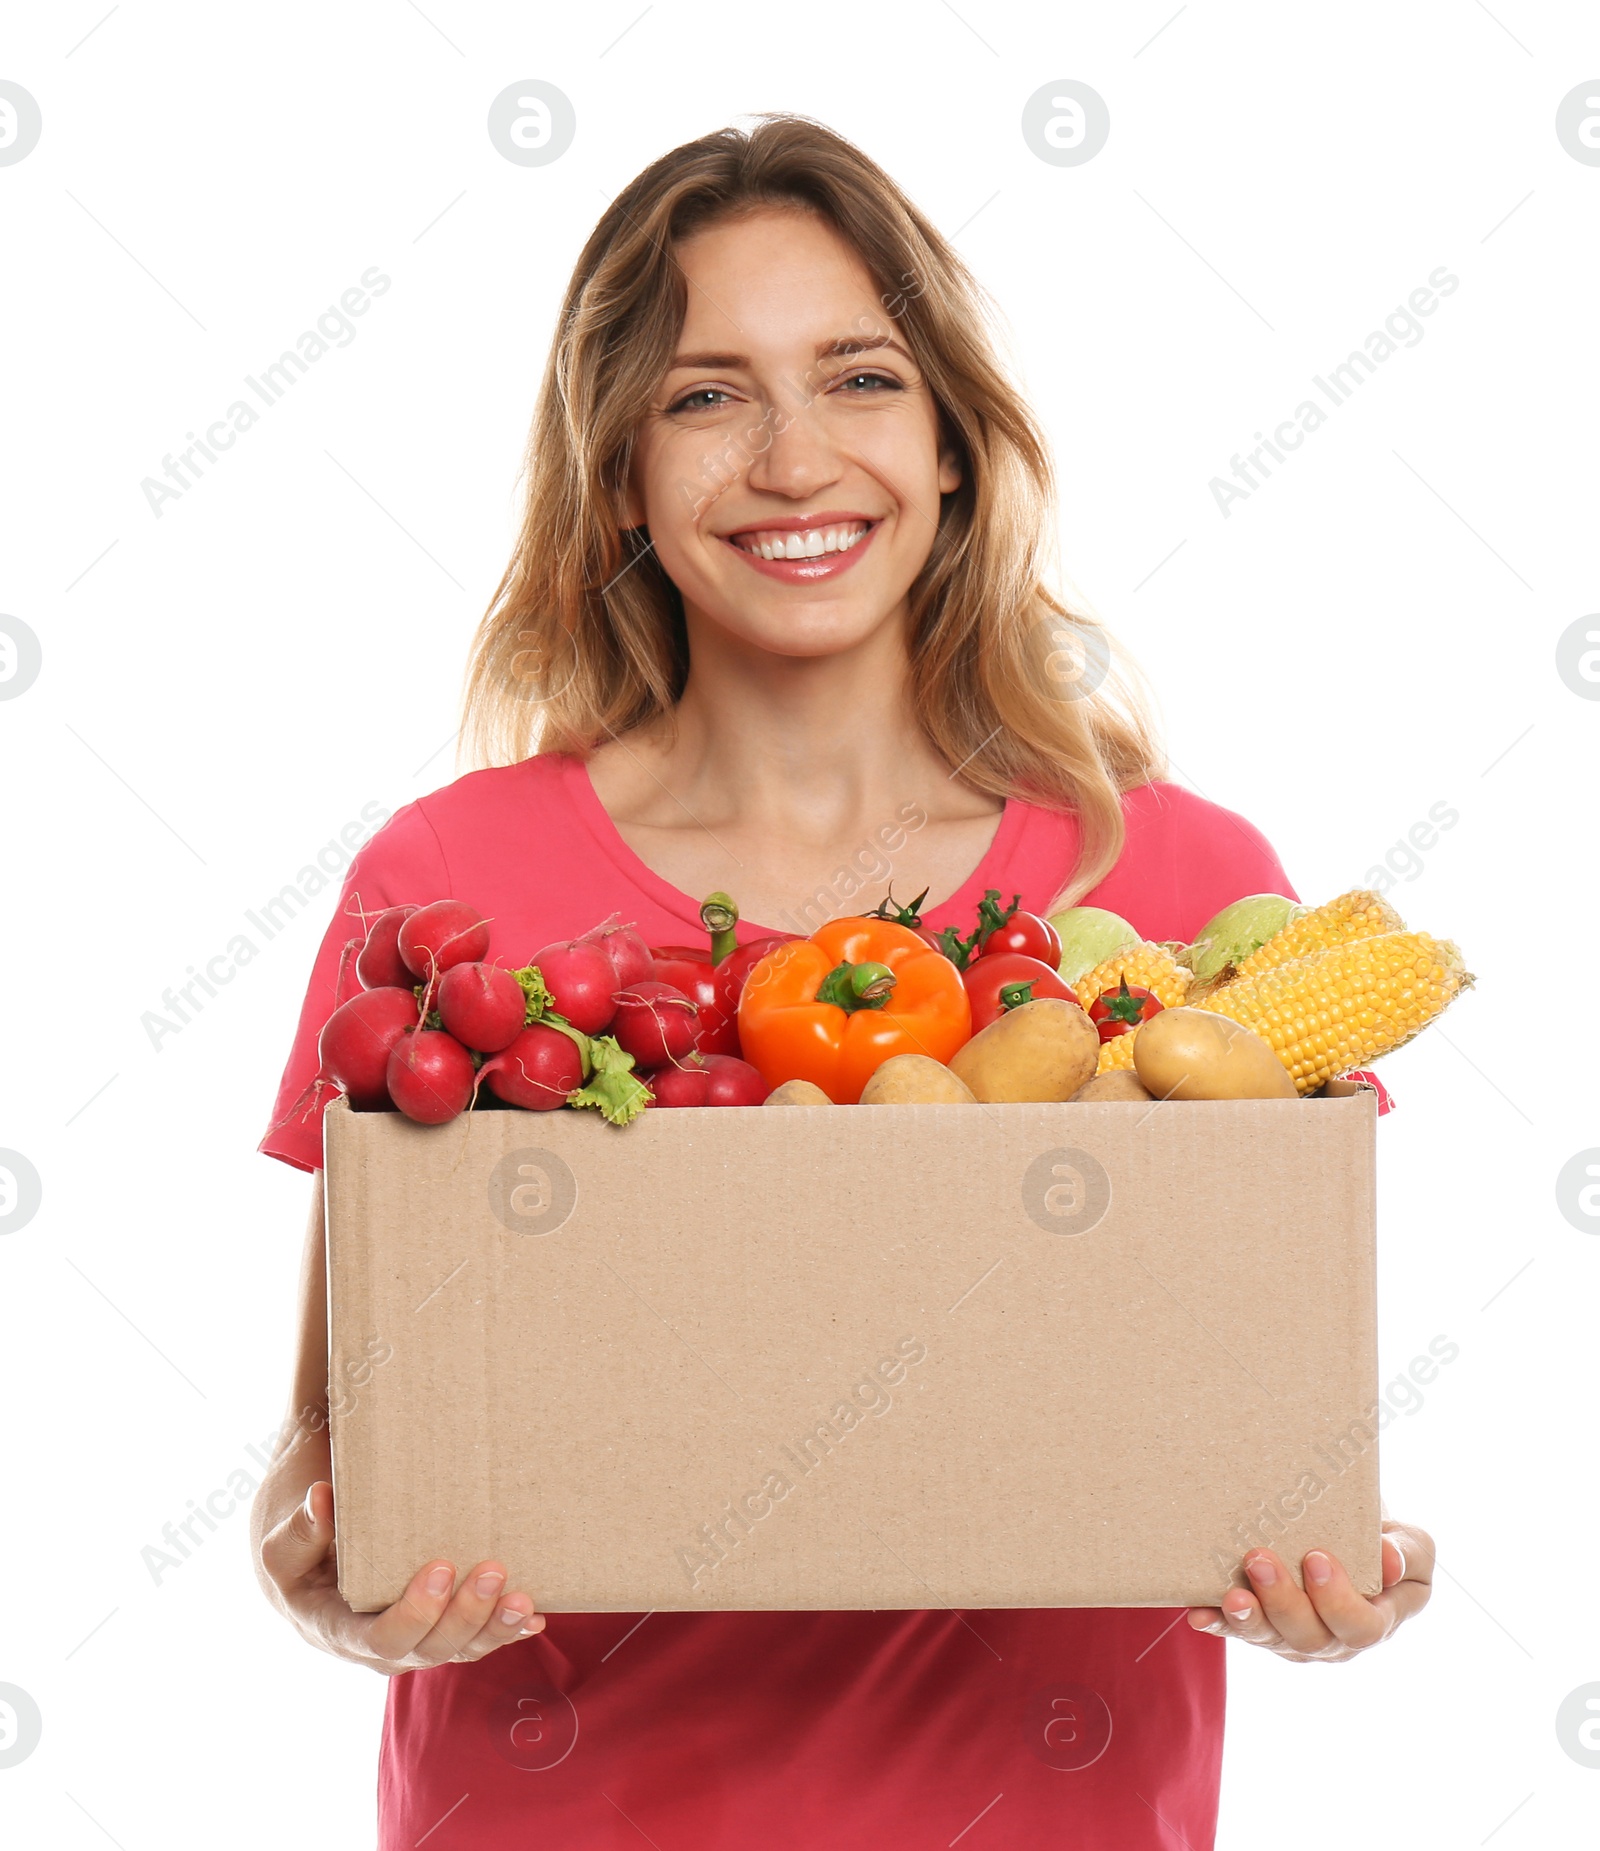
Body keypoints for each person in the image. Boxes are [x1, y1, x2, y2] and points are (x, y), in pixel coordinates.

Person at [250, 114, 1434, 1850]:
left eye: (861, 377)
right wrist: (332, 1595)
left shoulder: (1179, 884)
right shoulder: (444, 890)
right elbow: (319, 1460)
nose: (797, 459)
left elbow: (1270, 1393)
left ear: (953, 442)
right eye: (707, 395)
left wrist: (1352, 1568)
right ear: (622, 475)